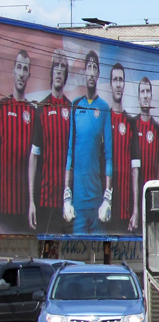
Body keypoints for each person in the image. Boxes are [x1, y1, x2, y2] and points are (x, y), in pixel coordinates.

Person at [64, 50, 114, 234]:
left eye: (95, 68)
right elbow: (70, 153)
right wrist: (66, 197)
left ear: (98, 74)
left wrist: (107, 198)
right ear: (84, 72)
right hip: (77, 204)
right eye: (89, 67)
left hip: (97, 203)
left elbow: (109, 155)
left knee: (101, 253)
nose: (92, 72)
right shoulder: (76, 105)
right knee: (77, 255)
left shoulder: (104, 108)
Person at [28, 49, 72, 233]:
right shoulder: (41, 108)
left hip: (67, 202)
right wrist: (32, 202)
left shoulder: (71, 108)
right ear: (51, 72)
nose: (59, 70)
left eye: (63, 67)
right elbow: (34, 157)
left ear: (66, 75)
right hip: (45, 200)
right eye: (56, 66)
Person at [0, 50, 34, 227]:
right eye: (19, 67)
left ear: (29, 75)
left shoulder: (33, 112)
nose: (21, 73)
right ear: (13, 69)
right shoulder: (2, 107)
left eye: (25, 69)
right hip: (2, 206)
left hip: (24, 208)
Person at [105, 62, 140, 232]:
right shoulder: (104, 118)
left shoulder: (131, 122)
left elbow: (135, 169)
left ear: (124, 85)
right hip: (105, 205)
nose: (118, 84)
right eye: (115, 80)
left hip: (124, 208)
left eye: (121, 80)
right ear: (110, 84)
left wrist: (135, 210)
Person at [133, 77, 159, 225]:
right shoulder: (132, 124)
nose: (146, 95)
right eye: (142, 91)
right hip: (134, 201)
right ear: (138, 97)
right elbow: (133, 167)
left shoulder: (157, 128)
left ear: (151, 96)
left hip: (152, 203)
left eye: (148, 91)